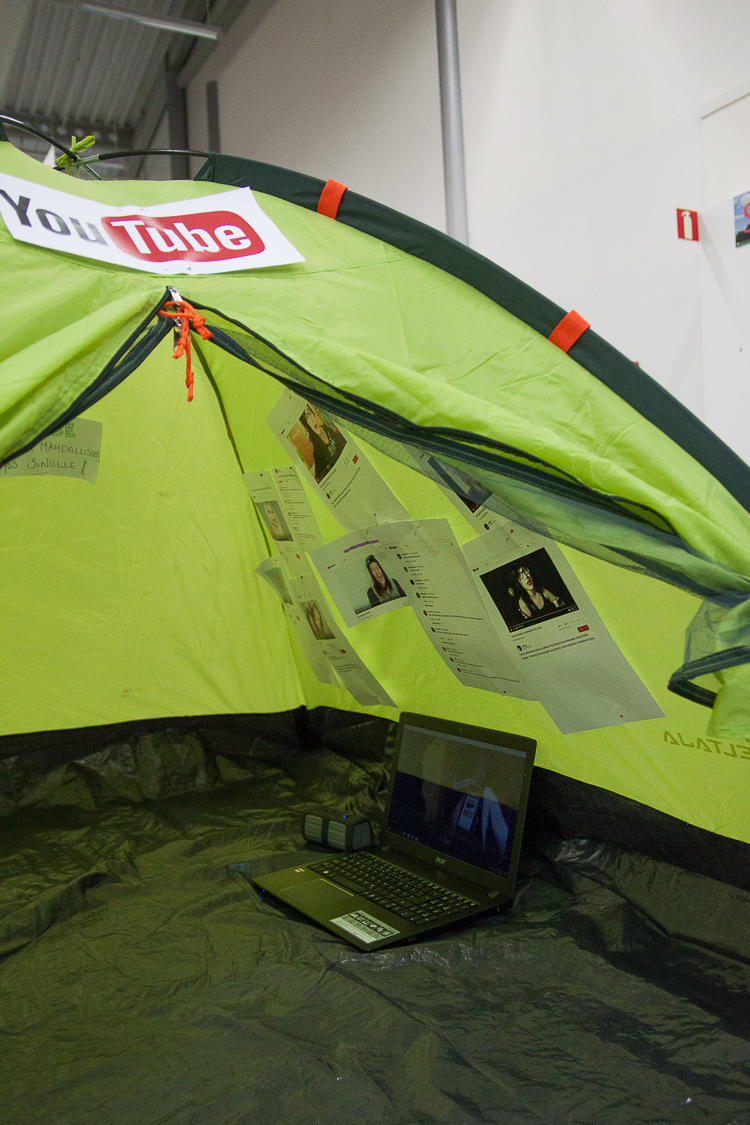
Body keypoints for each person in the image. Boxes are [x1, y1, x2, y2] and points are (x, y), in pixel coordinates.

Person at [299, 402, 346, 481]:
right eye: (306, 418)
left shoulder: (329, 428)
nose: (311, 420)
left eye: (309, 413)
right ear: (306, 425)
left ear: (313, 413)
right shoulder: (317, 452)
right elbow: (319, 478)